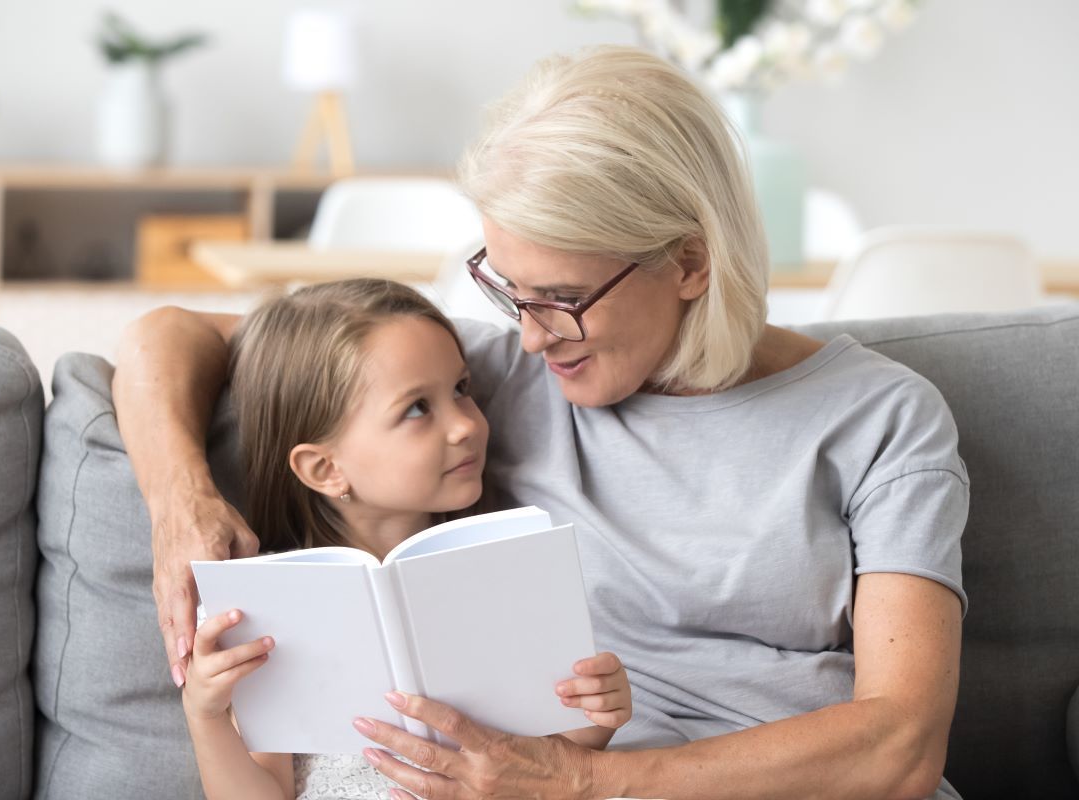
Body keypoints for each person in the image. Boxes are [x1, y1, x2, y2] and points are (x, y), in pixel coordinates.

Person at [113, 46, 967, 799]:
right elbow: (167, 335)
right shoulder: (485, 385)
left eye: (561, 298)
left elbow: (900, 745)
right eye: (507, 289)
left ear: (688, 262)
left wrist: (586, 784)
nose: (527, 335)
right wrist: (178, 497)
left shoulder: (881, 419)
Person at [173, 279, 632, 799]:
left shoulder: (504, 568)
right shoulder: (272, 606)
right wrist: (206, 715)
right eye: (417, 408)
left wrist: (598, 714)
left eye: (461, 389)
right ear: (325, 468)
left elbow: (553, 760)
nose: (464, 425)